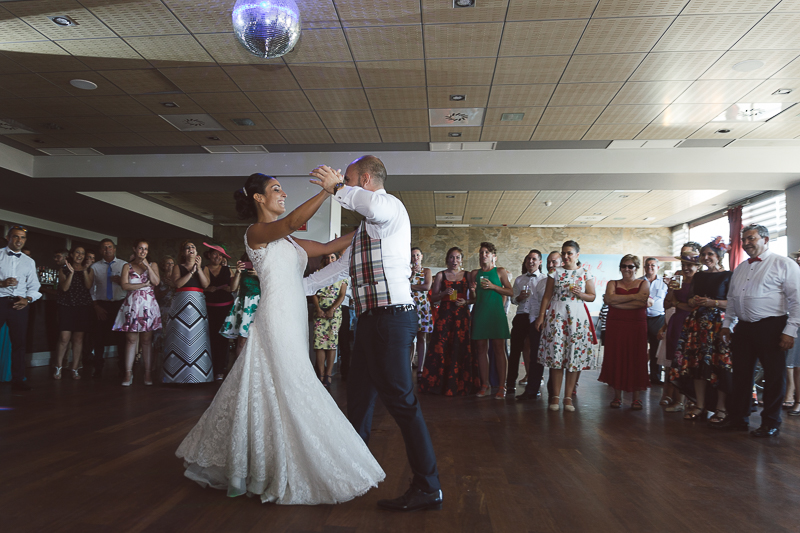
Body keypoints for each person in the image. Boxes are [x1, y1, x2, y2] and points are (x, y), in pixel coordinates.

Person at [177, 172, 383, 505]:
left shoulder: (289, 241)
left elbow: (330, 247)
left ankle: (263, 462)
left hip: (295, 316)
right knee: (293, 382)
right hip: (275, 316)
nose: (283, 192)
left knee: (272, 385)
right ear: (258, 198)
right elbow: (291, 222)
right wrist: (329, 191)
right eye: (276, 189)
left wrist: (371, 225)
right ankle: (282, 463)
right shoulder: (257, 232)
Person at [307, 158, 442, 511]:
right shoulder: (367, 228)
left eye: (350, 180)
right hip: (368, 321)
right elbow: (336, 269)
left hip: (393, 319)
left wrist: (335, 187)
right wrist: (293, 286)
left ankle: (428, 486)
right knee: (359, 400)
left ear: (365, 179)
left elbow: (366, 202)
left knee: (402, 403)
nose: (344, 186)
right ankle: (351, 474)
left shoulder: (388, 207)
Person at [711, 224, 800, 438]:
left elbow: (797, 300)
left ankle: (770, 422)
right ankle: (738, 419)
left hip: (772, 327)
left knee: (774, 377)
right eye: (744, 240)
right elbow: (732, 300)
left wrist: (791, 330)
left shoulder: (784, 264)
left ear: (765, 239)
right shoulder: (741, 268)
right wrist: (727, 325)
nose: (747, 243)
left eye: (751, 238)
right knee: (741, 375)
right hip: (743, 328)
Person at [674, 239, 732, 422]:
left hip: (719, 325)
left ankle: (721, 408)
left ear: (719, 256)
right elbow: (690, 299)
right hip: (698, 324)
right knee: (697, 364)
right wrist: (694, 301)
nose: (706, 258)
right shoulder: (698, 276)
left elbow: (734, 302)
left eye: (710, 255)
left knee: (720, 365)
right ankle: (700, 405)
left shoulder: (728, 276)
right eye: (704, 255)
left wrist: (712, 302)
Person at [535, 240, 596, 412]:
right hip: (557, 316)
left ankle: (568, 397)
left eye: (569, 253)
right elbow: (547, 296)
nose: (566, 256)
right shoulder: (555, 272)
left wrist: (580, 293)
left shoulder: (585, 272)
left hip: (576, 318)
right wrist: (541, 316)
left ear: (577, 254)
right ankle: (555, 396)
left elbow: (592, 296)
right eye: (564, 253)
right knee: (556, 356)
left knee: (573, 357)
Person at [419, 246, 480, 396]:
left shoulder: (467, 275)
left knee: (461, 346)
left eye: (458, 257)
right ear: (447, 259)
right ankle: (439, 383)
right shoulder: (441, 275)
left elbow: (474, 298)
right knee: (441, 346)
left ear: (462, 260)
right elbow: (432, 298)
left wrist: (465, 302)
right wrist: (444, 293)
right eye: (452, 257)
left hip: (462, 316)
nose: (454, 260)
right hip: (445, 315)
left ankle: (460, 383)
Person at [598, 255, 650, 409]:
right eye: (623, 266)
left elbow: (643, 301)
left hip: (637, 325)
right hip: (616, 324)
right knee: (617, 356)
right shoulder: (612, 283)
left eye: (630, 266)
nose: (626, 269)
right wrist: (635, 298)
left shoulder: (644, 283)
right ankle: (616, 397)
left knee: (636, 357)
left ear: (636, 268)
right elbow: (608, 300)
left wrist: (617, 299)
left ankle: (636, 398)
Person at [112, 240, 162, 386]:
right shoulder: (126, 266)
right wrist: (143, 285)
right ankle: (128, 374)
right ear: (135, 249)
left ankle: (147, 373)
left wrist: (147, 266)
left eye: (146, 249)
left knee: (147, 341)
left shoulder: (153, 265)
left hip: (148, 306)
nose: (143, 251)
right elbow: (124, 285)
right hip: (132, 305)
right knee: (130, 340)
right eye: (140, 248)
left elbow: (156, 282)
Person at [660, 243, 702, 412]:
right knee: (676, 361)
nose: (686, 268)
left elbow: (694, 307)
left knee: (693, 362)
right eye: (684, 265)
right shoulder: (677, 278)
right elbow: (666, 304)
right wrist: (670, 290)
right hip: (677, 322)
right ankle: (677, 400)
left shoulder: (701, 281)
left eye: (689, 265)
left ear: (697, 266)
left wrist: (678, 303)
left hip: (694, 323)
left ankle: (694, 401)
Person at [163, 240, 212, 383]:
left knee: (198, 336)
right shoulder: (178, 267)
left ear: (197, 252)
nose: (191, 249)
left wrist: (198, 269)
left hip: (198, 304)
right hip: (182, 303)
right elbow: (178, 283)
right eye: (187, 248)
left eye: (193, 247)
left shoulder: (204, 268)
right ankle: (177, 376)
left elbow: (205, 284)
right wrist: (191, 272)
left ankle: (200, 375)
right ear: (183, 253)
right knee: (181, 335)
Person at [470, 242, 513, 399]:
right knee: (481, 350)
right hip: (480, 313)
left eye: (487, 252)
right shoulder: (475, 274)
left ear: (493, 256)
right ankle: (484, 384)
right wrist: (472, 292)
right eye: (481, 252)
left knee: (499, 349)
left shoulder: (500, 272)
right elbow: (473, 299)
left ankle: (502, 386)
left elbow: (510, 291)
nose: (483, 255)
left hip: (496, 314)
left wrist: (494, 286)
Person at [0, 225, 41, 391]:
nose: (19, 240)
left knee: (19, 343)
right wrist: (1, 283)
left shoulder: (29, 261)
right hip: (0, 300)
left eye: (22, 238)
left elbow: (34, 286)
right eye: (16, 237)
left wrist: (28, 299)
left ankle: (18, 380)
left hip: (20, 304)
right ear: (9, 238)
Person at [518, 251, 562, 401]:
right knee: (536, 358)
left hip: (560, 324)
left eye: (554, 262)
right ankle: (531, 390)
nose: (551, 265)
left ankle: (554, 393)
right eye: (549, 261)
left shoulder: (566, 279)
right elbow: (536, 304)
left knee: (556, 358)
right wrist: (534, 322)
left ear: (561, 263)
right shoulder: (543, 282)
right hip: (540, 323)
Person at [53, 245, 94, 380]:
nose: (80, 255)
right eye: (77, 252)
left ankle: (75, 368)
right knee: (64, 338)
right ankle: (58, 367)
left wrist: (84, 270)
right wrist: (71, 273)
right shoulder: (63, 269)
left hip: (82, 307)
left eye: (82, 253)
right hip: (67, 305)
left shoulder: (89, 270)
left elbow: (88, 286)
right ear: (71, 254)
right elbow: (64, 288)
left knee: (78, 339)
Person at [88, 238, 127, 379]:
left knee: (121, 339)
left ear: (114, 249)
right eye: (104, 247)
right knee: (99, 339)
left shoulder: (124, 265)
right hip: (102, 305)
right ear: (100, 250)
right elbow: (91, 288)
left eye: (110, 247)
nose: (107, 250)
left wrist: (122, 282)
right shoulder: (95, 267)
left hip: (120, 305)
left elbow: (131, 287)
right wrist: (96, 305)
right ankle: (98, 368)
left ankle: (123, 369)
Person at [507, 250, 544, 397]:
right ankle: (510, 385)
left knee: (536, 353)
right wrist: (519, 297)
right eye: (529, 258)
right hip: (522, 316)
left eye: (534, 259)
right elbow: (513, 300)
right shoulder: (519, 279)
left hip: (536, 318)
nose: (531, 261)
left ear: (540, 262)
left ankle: (533, 388)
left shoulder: (545, 279)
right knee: (515, 351)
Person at [202, 243, 238, 381]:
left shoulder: (227, 269)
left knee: (223, 338)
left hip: (225, 307)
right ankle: (208, 368)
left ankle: (220, 369)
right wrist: (207, 289)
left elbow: (234, 285)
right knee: (210, 337)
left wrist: (230, 288)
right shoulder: (204, 268)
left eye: (220, 255)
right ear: (209, 255)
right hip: (209, 307)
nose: (217, 257)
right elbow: (202, 285)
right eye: (215, 254)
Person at [311, 253, 347, 388]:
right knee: (319, 344)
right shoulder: (318, 273)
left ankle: (328, 374)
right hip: (319, 310)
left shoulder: (342, 274)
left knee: (332, 343)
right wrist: (318, 308)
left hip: (334, 312)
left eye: (332, 257)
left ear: (337, 259)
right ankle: (320, 375)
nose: (329, 260)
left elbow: (342, 295)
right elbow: (312, 291)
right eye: (327, 258)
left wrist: (332, 309)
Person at [220, 254, 260, 363]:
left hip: (258, 305)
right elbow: (233, 288)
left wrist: (258, 275)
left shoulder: (263, 265)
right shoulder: (242, 267)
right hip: (243, 305)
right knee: (242, 340)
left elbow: (270, 286)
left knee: (258, 340)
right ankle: (240, 372)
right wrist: (238, 272)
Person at [642, 257, 669, 384]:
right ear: (644, 267)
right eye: (647, 265)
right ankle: (638, 376)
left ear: (657, 267)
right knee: (639, 349)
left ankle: (655, 377)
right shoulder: (638, 282)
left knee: (655, 350)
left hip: (658, 319)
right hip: (641, 318)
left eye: (653, 265)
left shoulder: (664, 282)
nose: (650, 267)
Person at [410, 247, 433, 375]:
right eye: (413, 256)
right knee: (409, 338)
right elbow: (403, 286)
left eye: (417, 255)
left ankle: (421, 368)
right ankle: (408, 365)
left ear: (422, 256)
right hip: (410, 306)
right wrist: (412, 275)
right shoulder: (407, 271)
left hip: (423, 306)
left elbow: (426, 286)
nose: (416, 258)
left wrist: (411, 286)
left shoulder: (427, 271)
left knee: (422, 337)